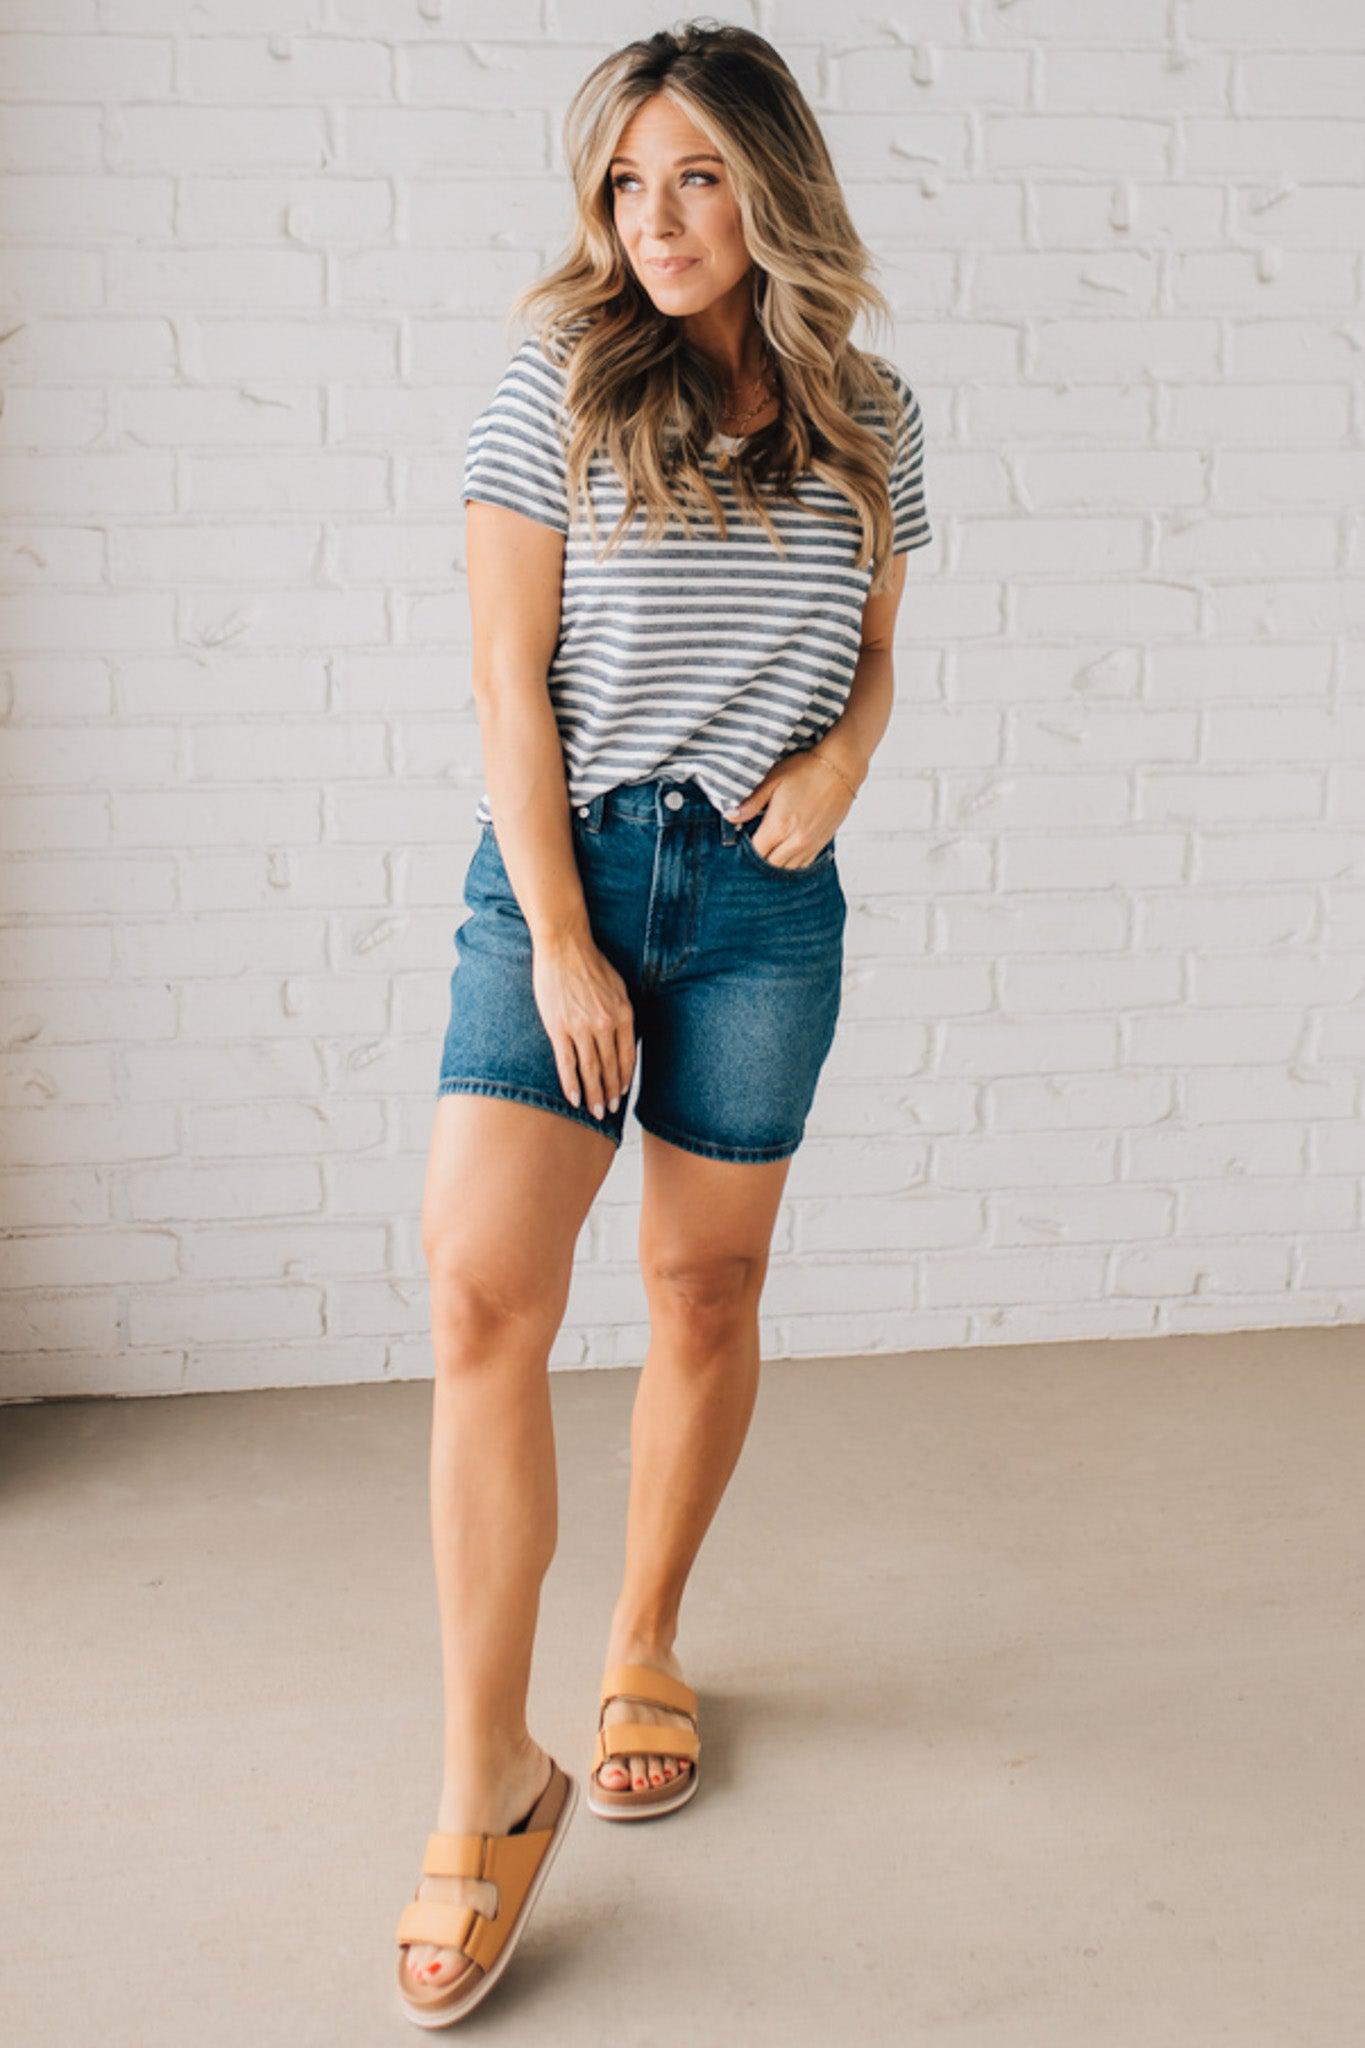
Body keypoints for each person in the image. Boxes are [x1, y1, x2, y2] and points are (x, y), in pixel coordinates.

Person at [393, 20, 931, 2027]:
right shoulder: (549, 385)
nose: (654, 218)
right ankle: (482, 1776)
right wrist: (555, 936)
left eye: (693, 175)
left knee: (701, 1289)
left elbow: (874, 656)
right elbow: (501, 687)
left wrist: (842, 771)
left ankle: (641, 1639)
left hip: (762, 901)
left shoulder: (863, 407)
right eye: (625, 182)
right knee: (476, 1297)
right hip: (564, 882)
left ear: (767, 185)